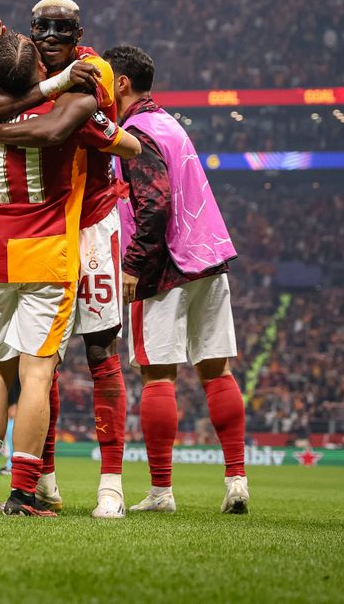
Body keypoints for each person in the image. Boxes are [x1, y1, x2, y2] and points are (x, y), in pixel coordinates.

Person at [0, 30, 139, 516]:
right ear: (42, 66)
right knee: (37, 373)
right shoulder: (65, 109)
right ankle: (22, 491)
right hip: (48, 251)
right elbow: (123, 145)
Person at [105, 44, 248, 514]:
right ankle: (236, 480)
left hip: (163, 264)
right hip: (208, 257)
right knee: (216, 369)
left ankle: (162, 492)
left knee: (157, 376)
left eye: (106, 78)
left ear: (121, 83)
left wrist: (132, 262)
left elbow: (155, 202)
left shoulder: (137, 131)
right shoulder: (170, 123)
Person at [29, 0, 141, 518]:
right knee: (41, 362)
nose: (51, 37)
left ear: (78, 33)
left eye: (62, 29)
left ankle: (111, 484)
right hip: (42, 227)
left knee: (100, 352)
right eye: (42, 28)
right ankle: (44, 475)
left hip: (92, 224)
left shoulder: (93, 68)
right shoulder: (22, 69)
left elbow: (66, 116)